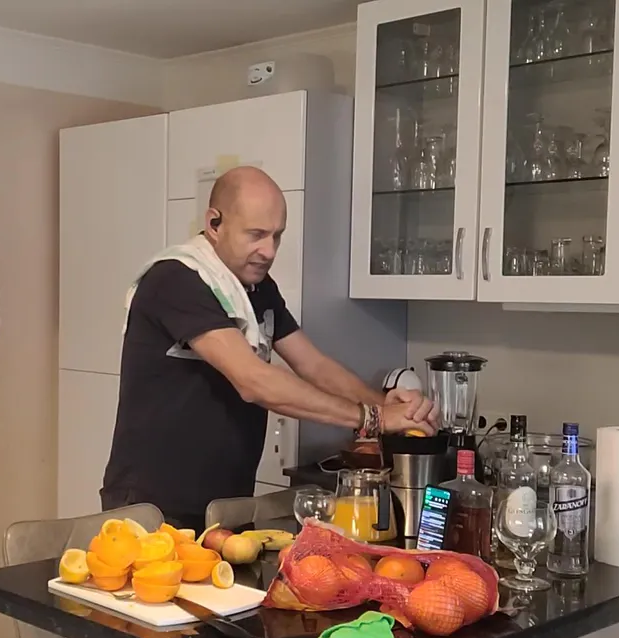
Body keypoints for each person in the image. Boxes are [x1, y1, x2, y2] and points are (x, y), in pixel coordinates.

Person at [100, 166, 437, 529]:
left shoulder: (258, 289)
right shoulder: (177, 279)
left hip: (227, 504)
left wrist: (382, 404)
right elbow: (254, 380)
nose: (269, 250)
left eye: (277, 236)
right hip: (154, 506)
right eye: (256, 235)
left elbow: (313, 364)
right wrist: (373, 419)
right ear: (214, 224)